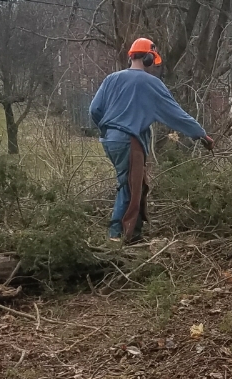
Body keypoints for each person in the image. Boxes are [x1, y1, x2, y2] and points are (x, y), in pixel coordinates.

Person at [89, 38, 214, 242]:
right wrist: (201, 134)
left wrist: (107, 128)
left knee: (135, 184)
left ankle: (134, 234)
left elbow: (94, 109)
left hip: (110, 140)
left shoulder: (111, 78)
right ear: (148, 58)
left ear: (131, 56)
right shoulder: (150, 83)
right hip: (129, 141)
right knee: (129, 187)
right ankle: (116, 236)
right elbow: (177, 114)